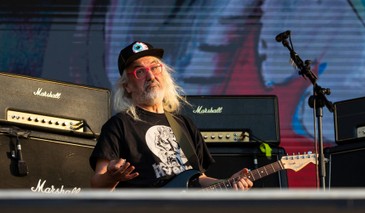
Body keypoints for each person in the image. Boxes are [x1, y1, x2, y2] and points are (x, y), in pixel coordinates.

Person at [89, 41, 253, 190]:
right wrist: (111, 177)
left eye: (155, 67)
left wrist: (228, 183)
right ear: (127, 87)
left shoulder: (183, 124)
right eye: (140, 71)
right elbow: (97, 185)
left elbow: (198, 179)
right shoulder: (119, 125)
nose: (151, 76)